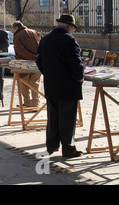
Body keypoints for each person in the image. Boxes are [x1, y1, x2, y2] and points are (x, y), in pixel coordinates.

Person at [37, 14, 84, 158]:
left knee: (53, 118)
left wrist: (48, 74)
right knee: (67, 119)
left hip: (51, 85)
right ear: (69, 27)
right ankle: (68, 149)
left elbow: (39, 61)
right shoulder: (69, 40)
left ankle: (51, 145)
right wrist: (79, 77)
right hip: (68, 86)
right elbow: (76, 63)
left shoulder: (45, 39)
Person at [12, 21, 43, 107]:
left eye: (13, 30)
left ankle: (27, 102)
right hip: (37, 63)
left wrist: (33, 57)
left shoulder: (17, 36)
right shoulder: (35, 32)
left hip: (24, 63)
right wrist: (38, 57)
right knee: (35, 83)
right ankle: (35, 103)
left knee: (24, 83)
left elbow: (21, 51)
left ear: (16, 28)